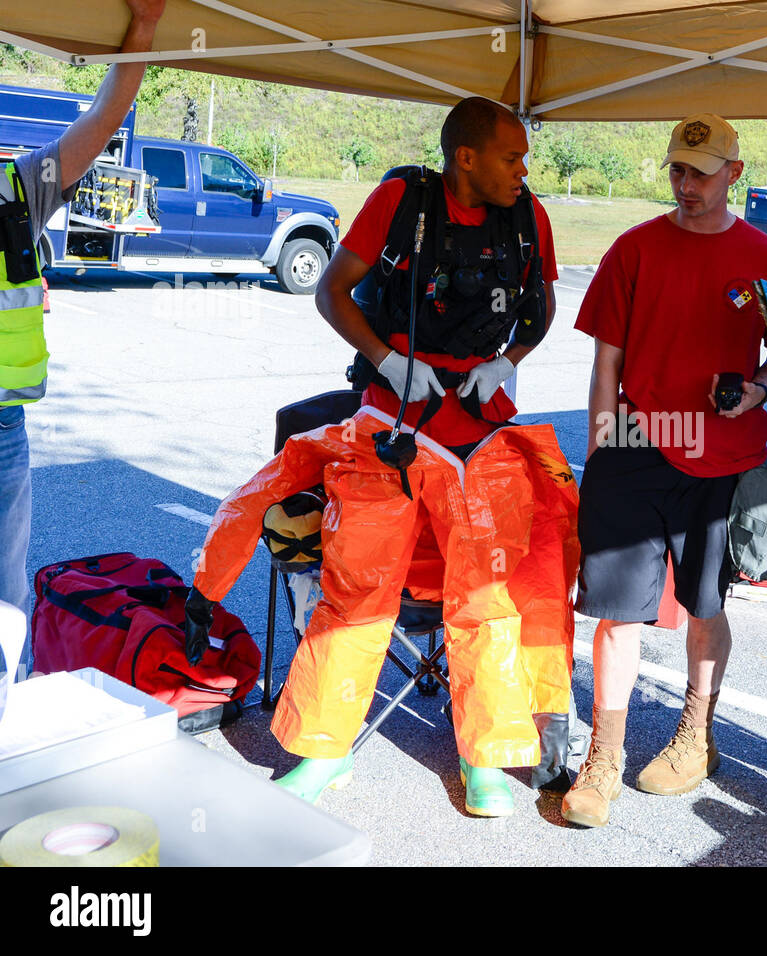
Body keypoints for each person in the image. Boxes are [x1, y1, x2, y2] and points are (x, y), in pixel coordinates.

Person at [260, 95, 569, 816]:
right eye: (511, 156)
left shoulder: (529, 216)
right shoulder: (402, 200)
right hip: (393, 415)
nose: (524, 170)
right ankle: (323, 751)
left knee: (485, 594)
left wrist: (511, 358)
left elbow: (541, 308)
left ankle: (483, 757)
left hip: (479, 422)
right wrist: (384, 358)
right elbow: (332, 291)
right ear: (466, 157)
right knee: (358, 580)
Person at [561, 113, 767, 828]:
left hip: (722, 460)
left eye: (700, 171)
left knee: (705, 607)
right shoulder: (633, 249)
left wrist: (758, 387)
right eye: (676, 170)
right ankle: (602, 757)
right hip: (635, 448)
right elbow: (606, 359)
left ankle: (697, 735)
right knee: (615, 612)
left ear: (734, 173)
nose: (685, 184)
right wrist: (602, 449)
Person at [0, 0, 166, 660]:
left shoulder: (16, 192)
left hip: (4, 431)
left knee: (5, 602)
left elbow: (100, 123)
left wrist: (143, 33)